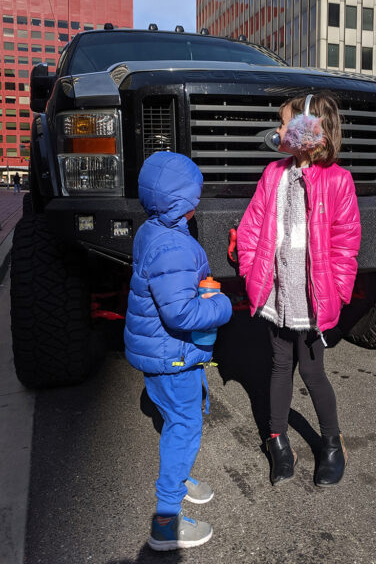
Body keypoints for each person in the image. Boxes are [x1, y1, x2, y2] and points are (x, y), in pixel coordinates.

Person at [236, 92, 360, 486]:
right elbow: (252, 226)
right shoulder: (274, 173)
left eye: (285, 122)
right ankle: (277, 441)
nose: (278, 130)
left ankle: (331, 443)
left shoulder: (337, 180)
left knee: (312, 370)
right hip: (276, 292)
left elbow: (345, 243)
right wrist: (249, 270)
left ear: (312, 131)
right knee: (278, 365)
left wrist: (337, 292)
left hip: (312, 295)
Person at [124, 151, 233, 551]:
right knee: (185, 427)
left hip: (160, 352)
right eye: (194, 195)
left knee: (175, 417)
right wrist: (222, 306)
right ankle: (166, 523)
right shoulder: (174, 246)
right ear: (183, 201)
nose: (197, 201)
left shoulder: (151, 229)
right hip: (172, 356)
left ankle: (180, 477)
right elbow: (182, 313)